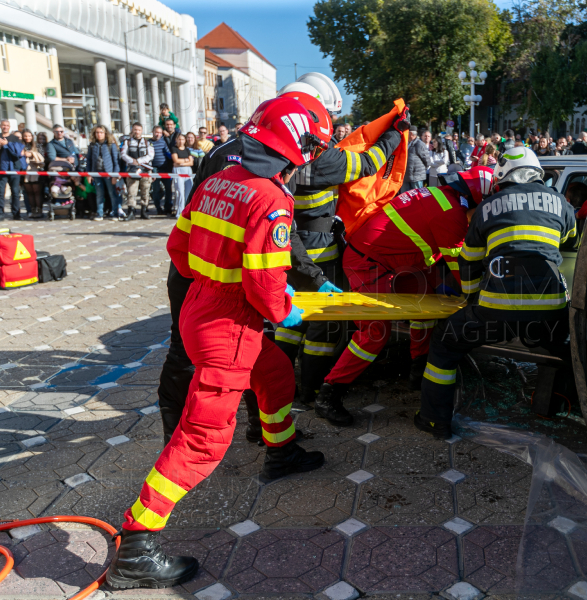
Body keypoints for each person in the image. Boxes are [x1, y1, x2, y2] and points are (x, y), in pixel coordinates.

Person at [106, 97, 326, 590]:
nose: (311, 156)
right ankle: (138, 543)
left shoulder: (215, 180)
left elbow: (178, 249)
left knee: (272, 373)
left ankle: (282, 449)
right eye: (311, 145)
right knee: (205, 441)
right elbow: (267, 289)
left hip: (199, 308)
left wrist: (219, 279)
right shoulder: (272, 199)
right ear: (296, 145)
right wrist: (281, 306)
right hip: (230, 324)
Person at [415, 147, 576, 439]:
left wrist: (471, 298)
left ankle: (434, 421)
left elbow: (469, 261)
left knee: (445, 343)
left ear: (501, 174)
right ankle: (576, 410)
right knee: (573, 352)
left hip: (496, 311)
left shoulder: (488, 207)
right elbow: (569, 240)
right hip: (549, 311)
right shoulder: (561, 202)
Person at [313, 167, 494, 426]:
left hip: (397, 262)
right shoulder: (451, 214)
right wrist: (479, 294)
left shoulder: (443, 196)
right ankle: (330, 394)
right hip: (368, 263)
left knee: (426, 309)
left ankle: (418, 369)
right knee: (374, 333)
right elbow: (461, 271)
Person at [277, 94, 409, 405]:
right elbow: (368, 163)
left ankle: (281, 390)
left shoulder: (280, 157)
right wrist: (394, 131)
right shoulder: (323, 159)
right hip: (320, 254)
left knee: (290, 323)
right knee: (325, 326)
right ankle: (309, 393)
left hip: (288, 250)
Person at [121, 122, 155, 221]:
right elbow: (123, 154)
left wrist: (139, 161)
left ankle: (143, 211)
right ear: (132, 130)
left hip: (145, 170)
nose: (137, 132)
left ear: (142, 131)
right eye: (135, 129)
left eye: (139, 130)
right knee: (131, 191)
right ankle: (131, 211)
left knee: (145, 191)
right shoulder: (127, 142)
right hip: (132, 170)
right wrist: (133, 161)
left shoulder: (147, 143)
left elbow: (151, 155)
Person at [87, 125, 121, 222]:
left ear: (105, 134)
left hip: (109, 174)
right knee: (99, 194)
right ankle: (99, 213)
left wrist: (115, 175)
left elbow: (116, 161)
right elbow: (89, 161)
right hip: (97, 173)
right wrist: (89, 174)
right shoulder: (92, 145)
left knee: (112, 193)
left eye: (101, 132)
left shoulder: (111, 145)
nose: (99, 134)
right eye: (97, 132)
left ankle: (115, 213)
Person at [0, 119, 22, 221]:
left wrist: (8, 144)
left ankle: (16, 213)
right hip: (0, 168)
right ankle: (0, 213)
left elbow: (18, 153)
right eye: (3, 125)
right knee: (1, 192)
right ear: (0, 126)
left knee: (15, 192)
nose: (5, 127)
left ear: (9, 127)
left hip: (14, 168)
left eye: (7, 125)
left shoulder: (15, 138)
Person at [20, 129, 45, 219]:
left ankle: (39, 210)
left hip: (36, 170)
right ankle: (32, 210)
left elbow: (42, 157)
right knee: (29, 192)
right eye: (25, 136)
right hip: (25, 171)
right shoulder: (21, 145)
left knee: (37, 192)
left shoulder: (37, 145)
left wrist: (32, 154)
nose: (27, 138)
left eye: (29, 136)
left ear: (32, 136)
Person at [150, 126, 173, 216]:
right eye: (156, 132)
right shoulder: (149, 143)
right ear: (152, 132)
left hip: (165, 168)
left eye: (160, 133)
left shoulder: (163, 142)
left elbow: (168, 153)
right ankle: (158, 208)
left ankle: (168, 207)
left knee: (168, 189)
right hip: (154, 168)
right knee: (155, 190)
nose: (158, 134)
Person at [170, 132, 194, 216]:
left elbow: (191, 162)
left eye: (182, 139)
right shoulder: (174, 148)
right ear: (176, 140)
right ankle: (179, 211)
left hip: (187, 170)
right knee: (180, 192)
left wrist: (183, 162)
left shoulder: (187, 150)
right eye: (179, 139)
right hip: (178, 171)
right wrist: (186, 160)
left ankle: (187, 210)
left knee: (188, 191)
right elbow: (175, 160)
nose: (181, 141)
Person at [403, 127, 431, 192]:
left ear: (411, 134)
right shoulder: (406, 143)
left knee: (417, 196)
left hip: (416, 177)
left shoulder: (419, 144)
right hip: (406, 176)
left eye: (407, 132)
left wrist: (419, 171)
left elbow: (427, 161)